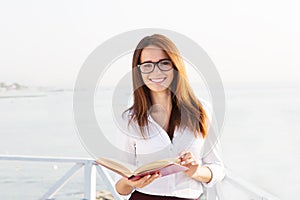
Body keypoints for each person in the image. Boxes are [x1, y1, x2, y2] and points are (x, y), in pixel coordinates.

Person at [114, 34, 225, 200]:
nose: (156, 71)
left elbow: (217, 168)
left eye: (164, 63)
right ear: (139, 71)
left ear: (175, 66)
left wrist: (196, 171)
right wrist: (131, 183)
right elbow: (120, 187)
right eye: (147, 65)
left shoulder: (202, 111)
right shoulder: (130, 119)